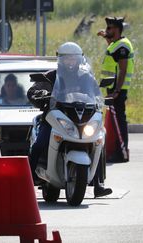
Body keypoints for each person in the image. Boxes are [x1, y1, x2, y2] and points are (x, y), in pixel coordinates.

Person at [27, 42, 112, 198]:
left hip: (82, 117)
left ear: (79, 60)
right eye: (67, 59)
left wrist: (103, 98)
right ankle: (29, 180)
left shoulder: (86, 77)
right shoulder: (51, 75)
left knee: (100, 139)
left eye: (73, 58)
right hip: (56, 116)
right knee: (40, 143)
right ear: (60, 59)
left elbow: (96, 93)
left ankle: (99, 184)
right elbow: (33, 90)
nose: (70, 62)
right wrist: (38, 93)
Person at [97, 17, 134, 163]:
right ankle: (118, 150)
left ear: (117, 30)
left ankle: (122, 153)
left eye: (109, 28)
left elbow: (123, 70)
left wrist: (117, 91)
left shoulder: (122, 46)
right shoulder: (116, 44)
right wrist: (105, 37)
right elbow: (112, 52)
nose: (107, 31)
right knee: (116, 122)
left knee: (119, 122)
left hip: (117, 90)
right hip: (112, 89)